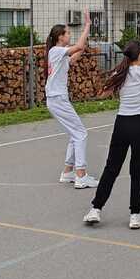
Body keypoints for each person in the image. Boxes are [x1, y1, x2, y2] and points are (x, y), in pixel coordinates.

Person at [84, 5, 140, 229]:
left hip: (122, 123)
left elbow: (102, 93)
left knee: (111, 168)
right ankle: (135, 215)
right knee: (137, 170)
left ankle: (95, 209)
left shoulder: (120, 72)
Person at [46, 11, 98, 188]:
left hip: (56, 99)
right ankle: (81, 175)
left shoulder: (60, 55)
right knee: (81, 134)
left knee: (74, 134)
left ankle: (68, 172)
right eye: (67, 33)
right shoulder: (56, 51)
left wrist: (84, 40)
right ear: (60, 37)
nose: (69, 35)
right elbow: (78, 46)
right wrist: (87, 25)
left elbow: (76, 54)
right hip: (57, 99)